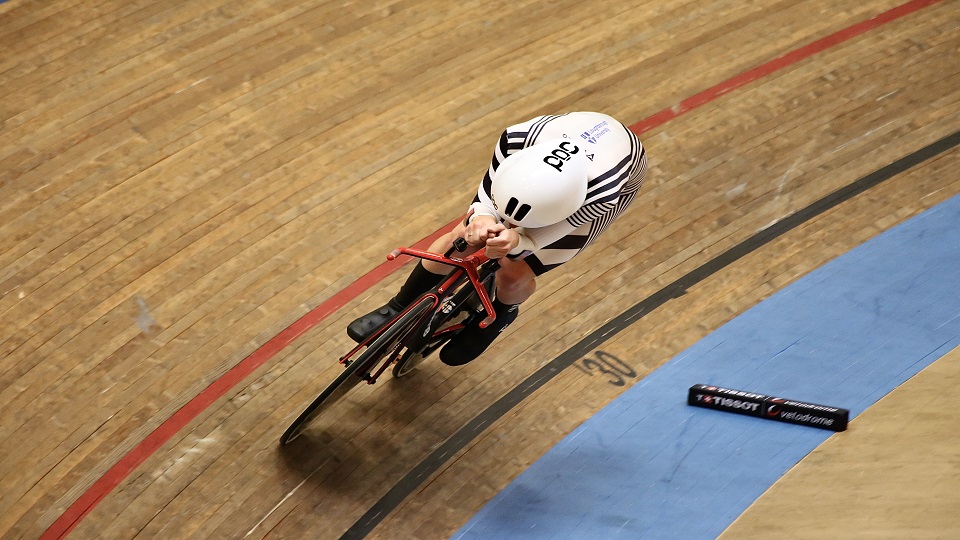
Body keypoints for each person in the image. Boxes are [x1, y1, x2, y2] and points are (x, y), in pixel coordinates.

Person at [347, 111, 648, 365]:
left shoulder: (603, 190)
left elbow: (544, 235)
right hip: (548, 158)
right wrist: (481, 220)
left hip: (613, 181)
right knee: (461, 238)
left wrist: (517, 242)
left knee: (516, 271)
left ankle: (501, 315)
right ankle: (399, 306)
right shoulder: (515, 140)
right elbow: (486, 198)